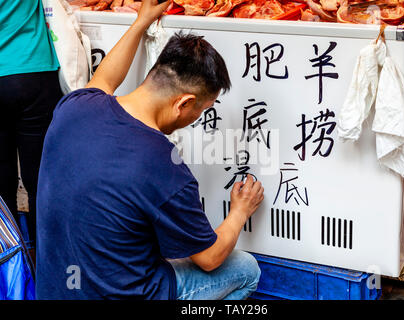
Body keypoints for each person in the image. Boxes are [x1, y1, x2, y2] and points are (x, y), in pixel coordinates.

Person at [36, 0, 264, 300]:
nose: (199, 117)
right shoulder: (163, 166)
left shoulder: (75, 106)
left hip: (54, 290)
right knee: (247, 270)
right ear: (183, 103)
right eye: (203, 109)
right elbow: (210, 258)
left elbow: (105, 78)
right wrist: (240, 210)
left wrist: (140, 23)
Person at [0, 0, 62, 253]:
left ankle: (12, 271)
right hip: (32, 69)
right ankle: (46, 269)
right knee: (42, 181)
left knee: (1, 186)